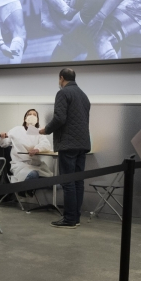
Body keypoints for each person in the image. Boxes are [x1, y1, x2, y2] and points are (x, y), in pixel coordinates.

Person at [40, 68, 91, 228]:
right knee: (78, 182)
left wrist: (46, 130)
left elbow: (60, 118)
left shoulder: (63, 93)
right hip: (82, 143)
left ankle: (69, 219)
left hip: (68, 144)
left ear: (61, 78)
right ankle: (75, 218)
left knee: (67, 181)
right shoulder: (84, 95)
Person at [0, 109, 53, 196]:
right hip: (21, 166)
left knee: (55, 184)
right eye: (29, 114)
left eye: (34, 115)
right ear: (25, 118)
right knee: (33, 175)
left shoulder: (38, 132)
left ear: (37, 119)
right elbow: (4, 143)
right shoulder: (17, 130)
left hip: (37, 166)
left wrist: (37, 149)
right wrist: (1, 136)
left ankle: (27, 187)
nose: (32, 116)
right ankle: (26, 189)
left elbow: (46, 144)